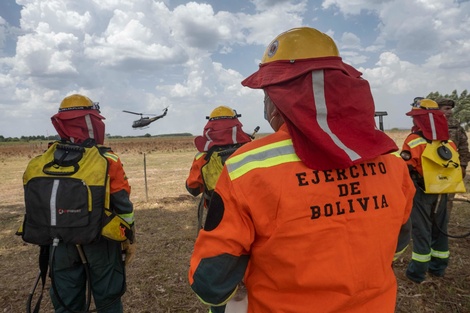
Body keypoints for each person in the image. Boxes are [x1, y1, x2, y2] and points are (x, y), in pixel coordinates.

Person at [188, 27, 415, 313]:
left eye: (266, 95)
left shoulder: (247, 168)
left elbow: (211, 281)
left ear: (276, 102)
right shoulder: (393, 162)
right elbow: (397, 246)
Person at [48, 94, 135, 312]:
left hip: (58, 242)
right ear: (94, 122)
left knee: (66, 303)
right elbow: (122, 205)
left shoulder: (46, 159)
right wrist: (128, 237)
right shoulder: (108, 159)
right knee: (109, 300)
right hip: (100, 241)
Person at [400, 98, 457, 284]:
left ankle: (417, 272)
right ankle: (439, 267)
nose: (413, 121)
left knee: (421, 229)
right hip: (444, 190)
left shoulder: (414, 141)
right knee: (440, 228)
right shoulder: (448, 142)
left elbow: (406, 167)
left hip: (422, 192)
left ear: (420, 119)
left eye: (415, 118)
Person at [185, 105, 252, 229]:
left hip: (217, 215)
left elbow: (193, 188)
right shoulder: (252, 151)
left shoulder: (202, 157)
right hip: (252, 213)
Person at [437, 97, 470, 214]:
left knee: (448, 199)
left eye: (450, 109)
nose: (449, 111)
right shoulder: (430, 126)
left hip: (452, 167)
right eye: (446, 109)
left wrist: (463, 165)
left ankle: (444, 222)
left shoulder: (456, 126)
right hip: (435, 168)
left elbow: (463, 147)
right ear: (437, 110)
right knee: (434, 199)